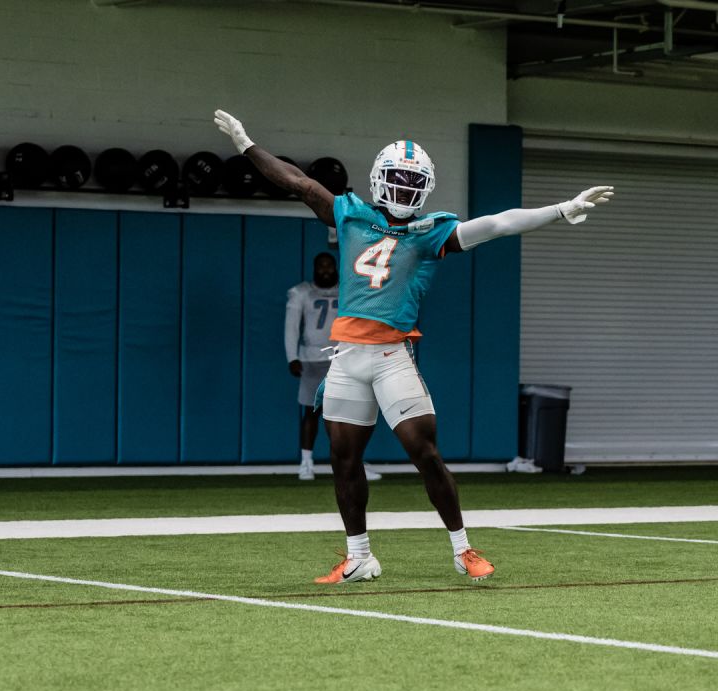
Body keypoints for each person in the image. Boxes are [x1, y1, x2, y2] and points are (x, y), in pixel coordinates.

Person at [215, 109, 614, 584]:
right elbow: (299, 182)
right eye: (398, 180)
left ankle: (462, 549)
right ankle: (359, 556)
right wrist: (246, 144)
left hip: (390, 357)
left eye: (412, 182)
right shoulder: (350, 213)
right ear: (379, 179)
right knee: (343, 460)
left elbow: (497, 224)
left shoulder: (430, 233)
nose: (404, 190)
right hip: (345, 358)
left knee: (424, 452)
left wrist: (560, 209)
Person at [285, 253, 382, 482]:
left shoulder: (347, 290)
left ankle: (354, 461)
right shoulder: (301, 292)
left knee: (350, 413)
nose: (326, 270)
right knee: (312, 411)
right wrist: (292, 357)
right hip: (313, 357)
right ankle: (306, 463)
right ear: (314, 268)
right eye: (321, 266)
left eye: (330, 266)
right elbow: (291, 327)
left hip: (345, 356)